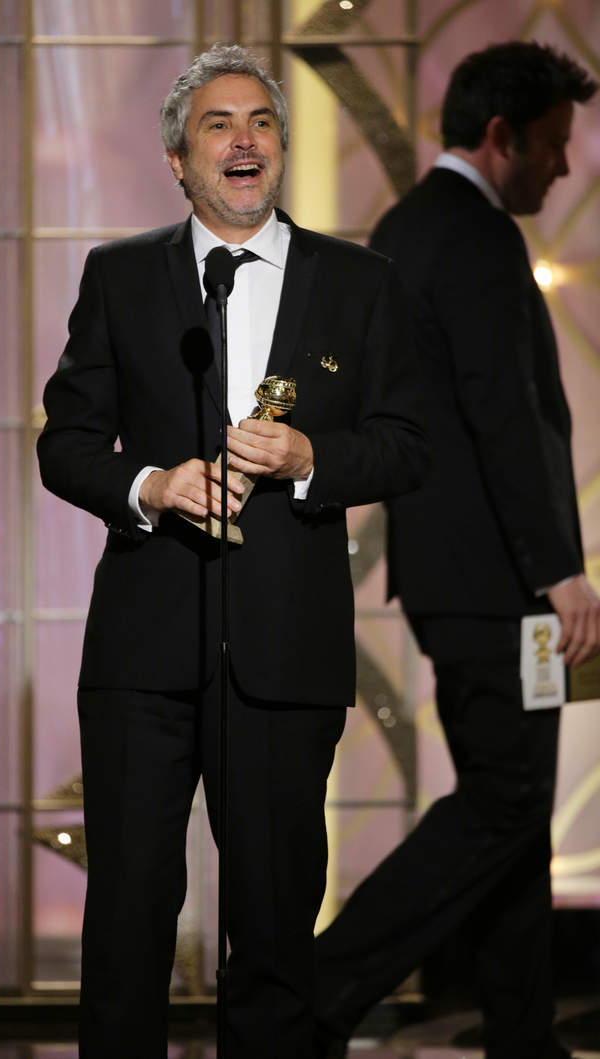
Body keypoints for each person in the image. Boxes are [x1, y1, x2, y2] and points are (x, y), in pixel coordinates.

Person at [37, 43, 428, 1059]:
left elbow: (407, 443)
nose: (244, 139)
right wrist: (151, 485)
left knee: (274, 928)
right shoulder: (121, 276)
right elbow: (66, 444)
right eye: (219, 123)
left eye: (262, 122)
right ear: (179, 159)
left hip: (287, 653)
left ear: (282, 148)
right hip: (142, 656)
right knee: (127, 924)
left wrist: (310, 459)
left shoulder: (361, 282)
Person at [314, 41, 600, 1059]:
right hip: (499, 583)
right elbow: (504, 416)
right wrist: (560, 570)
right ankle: (313, 994)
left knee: (513, 803)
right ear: (501, 136)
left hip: (456, 578)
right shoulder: (474, 236)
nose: (563, 167)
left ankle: (521, 1034)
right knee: (507, 798)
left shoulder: (406, 227)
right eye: (553, 144)